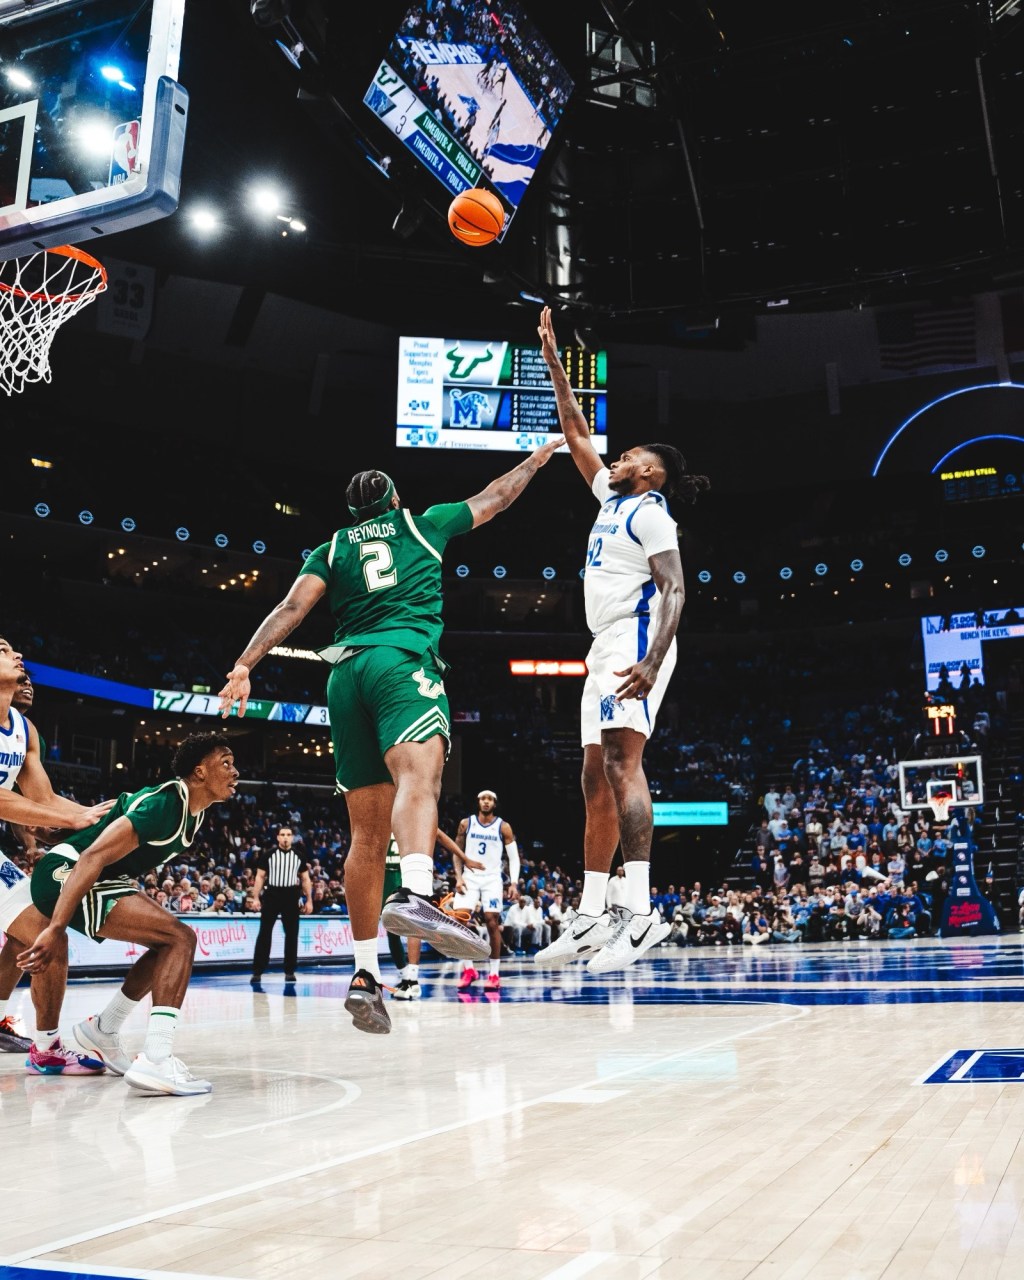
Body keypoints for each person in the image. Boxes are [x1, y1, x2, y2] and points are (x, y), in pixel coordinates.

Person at [218, 440, 563, 1034]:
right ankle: (420, 895)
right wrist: (534, 462)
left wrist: (245, 664)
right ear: (395, 499)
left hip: (344, 677)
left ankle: (364, 973)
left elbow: (291, 608)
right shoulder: (422, 523)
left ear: (353, 514)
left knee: (366, 836)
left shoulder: (330, 548)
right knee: (419, 778)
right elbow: (496, 498)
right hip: (399, 662)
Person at [534, 306, 709, 973]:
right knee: (593, 777)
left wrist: (652, 660)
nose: (619, 457)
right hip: (604, 641)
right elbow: (577, 432)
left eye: (630, 456)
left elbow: (676, 590)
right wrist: (554, 362)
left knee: (621, 765)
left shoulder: (653, 513)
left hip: (636, 640)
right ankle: (589, 915)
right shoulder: (613, 501)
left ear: (651, 474)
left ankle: (640, 914)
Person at [17, 732, 240, 1096]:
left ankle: (104, 1028)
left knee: (168, 945)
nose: (235, 772)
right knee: (180, 939)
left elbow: (104, 824)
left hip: (94, 873)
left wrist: (56, 836)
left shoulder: (191, 814)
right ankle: (156, 1058)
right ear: (199, 772)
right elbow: (93, 855)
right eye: (226, 763)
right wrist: (56, 927)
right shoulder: (166, 804)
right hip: (69, 873)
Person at [0, 637, 114, 1063]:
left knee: (44, 933)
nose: (16, 655)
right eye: (2, 649)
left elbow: (43, 799)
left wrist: (100, 816)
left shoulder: (23, 729)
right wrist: (71, 820)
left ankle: (46, 1047)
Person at [452, 789, 520, 991]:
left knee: (492, 921)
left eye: (490, 799)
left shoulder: (503, 827)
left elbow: (513, 857)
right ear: (478, 802)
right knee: (459, 920)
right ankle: (469, 969)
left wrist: (513, 883)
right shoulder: (466, 823)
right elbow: (457, 852)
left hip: (492, 879)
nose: (486, 802)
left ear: (494, 803)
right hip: (470, 877)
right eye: (483, 798)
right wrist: (458, 877)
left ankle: (494, 974)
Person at [250, 824, 313, 985]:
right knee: (265, 932)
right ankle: (258, 970)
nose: (285, 837)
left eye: (288, 834)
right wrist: (255, 897)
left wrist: (309, 900)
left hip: (291, 895)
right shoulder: (268, 855)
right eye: (283, 834)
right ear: (278, 837)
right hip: (272, 893)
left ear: (292, 838)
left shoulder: (299, 856)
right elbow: (260, 877)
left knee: (292, 934)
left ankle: (290, 971)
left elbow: (305, 879)